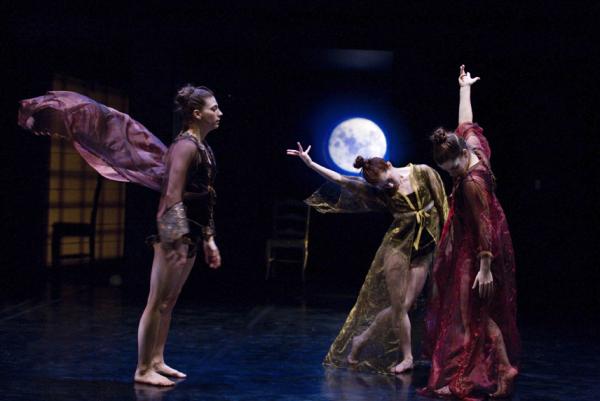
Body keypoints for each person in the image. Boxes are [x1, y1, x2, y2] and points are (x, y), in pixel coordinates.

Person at [18, 84, 223, 387]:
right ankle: (142, 368)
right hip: (173, 229)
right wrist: (175, 236)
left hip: (189, 230)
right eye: (214, 108)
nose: (219, 112)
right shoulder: (185, 147)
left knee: (170, 300)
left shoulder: (203, 148)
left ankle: (157, 359)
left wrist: (207, 238)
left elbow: (205, 197)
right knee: (157, 300)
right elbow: (171, 194)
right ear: (196, 113)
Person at [286, 143, 447, 374]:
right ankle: (407, 357)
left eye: (388, 181)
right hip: (398, 245)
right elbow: (342, 181)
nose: (388, 187)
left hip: (425, 246)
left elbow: (443, 206)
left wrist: (447, 243)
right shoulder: (378, 191)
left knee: (406, 304)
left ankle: (362, 338)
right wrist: (311, 164)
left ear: (389, 165)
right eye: (382, 186)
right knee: (399, 305)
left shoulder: (422, 172)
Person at [420, 66, 520, 399]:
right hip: (475, 243)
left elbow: (484, 223)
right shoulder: (472, 146)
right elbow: (466, 123)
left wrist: (485, 266)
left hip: (479, 247)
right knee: (474, 311)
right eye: (446, 171)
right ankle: (503, 368)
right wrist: (465, 89)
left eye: (453, 168)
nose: (452, 174)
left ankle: (471, 375)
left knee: (468, 313)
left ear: (463, 156)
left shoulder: (473, 183)